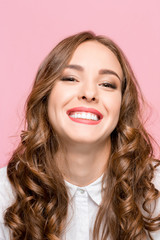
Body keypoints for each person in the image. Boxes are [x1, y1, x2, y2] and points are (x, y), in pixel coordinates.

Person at [0, 31, 160, 240]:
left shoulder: (154, 189)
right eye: (70, 78)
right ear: (45, 96)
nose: (89, 93)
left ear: (122, 105)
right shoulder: (5, 193)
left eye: (107, 84)